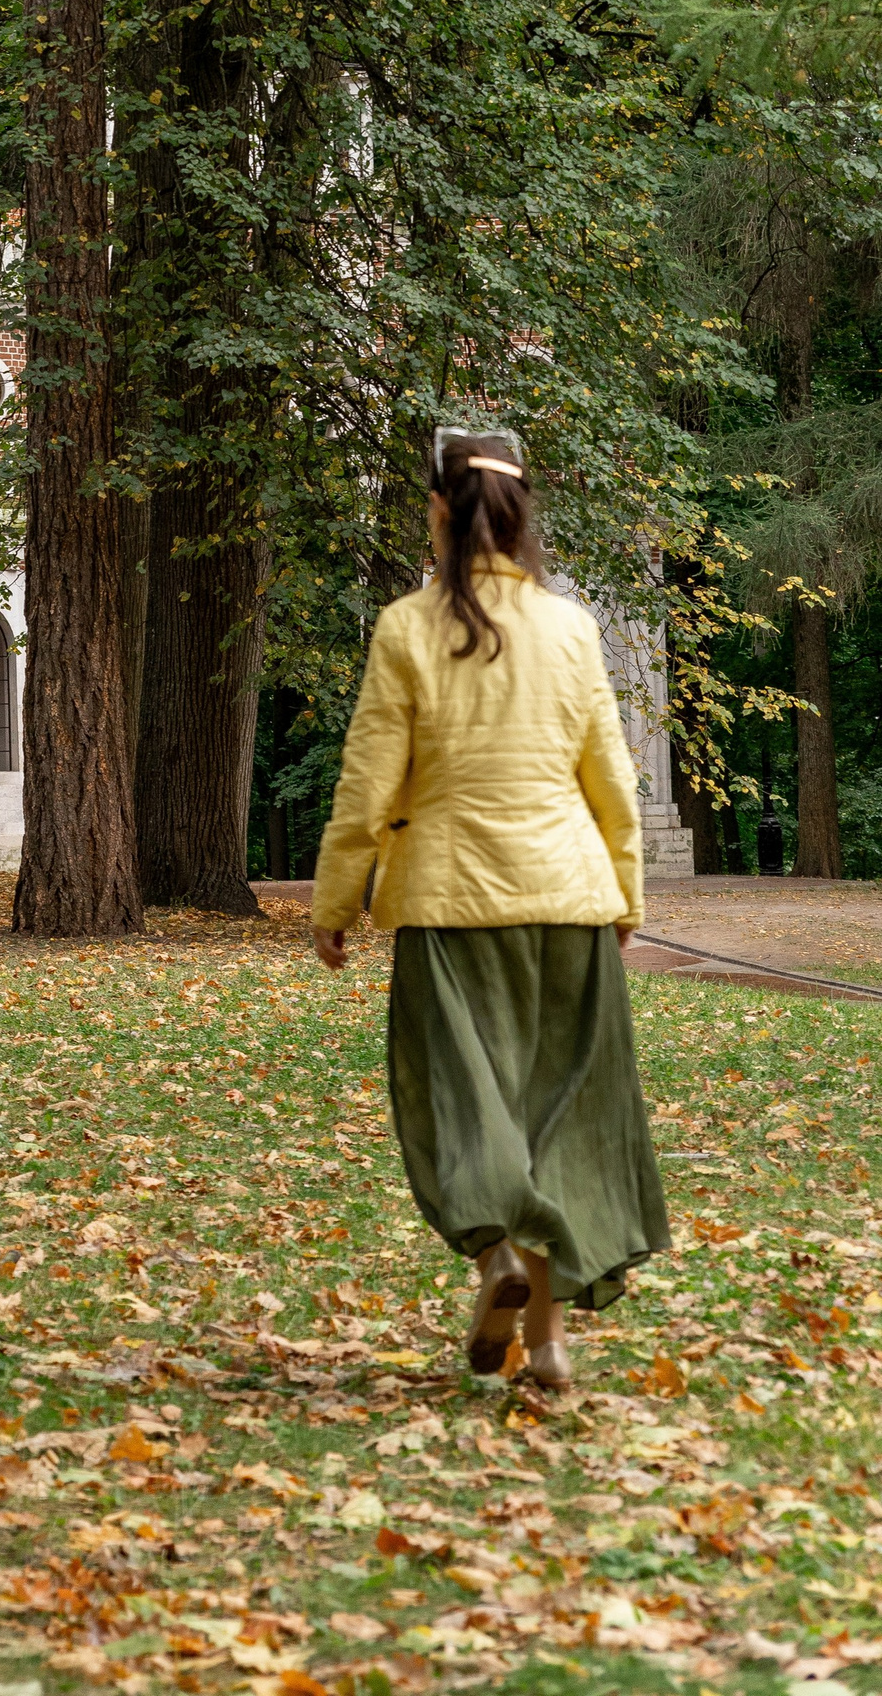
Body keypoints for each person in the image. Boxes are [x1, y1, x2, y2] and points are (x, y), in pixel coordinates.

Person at [310, 428, 668, 1393]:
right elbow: (611, 778)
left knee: (458, 1105)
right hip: (570, 905)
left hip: (450, 906)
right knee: (562, 1122)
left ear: (440, 509)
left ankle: (495, 1257)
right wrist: (625, 893)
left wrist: (336, 898)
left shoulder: (407, 627)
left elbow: (367, 782)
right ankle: (547, 1344)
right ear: (519, 516)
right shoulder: (570, 627)